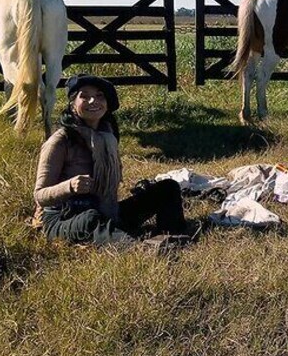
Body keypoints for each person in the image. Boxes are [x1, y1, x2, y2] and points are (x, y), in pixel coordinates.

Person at [33, 74, 190, 246]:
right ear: (72, 105)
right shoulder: (60, 140)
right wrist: (69, 186)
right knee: (91, 218)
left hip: (106, 210)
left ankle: (171, 235)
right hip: (63, 218)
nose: (93, 101)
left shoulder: (108, 138)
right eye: (84, 96)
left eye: (100, 96)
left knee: (168, 188)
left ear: (107, 104)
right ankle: (140, 248)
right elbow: (40, 195)